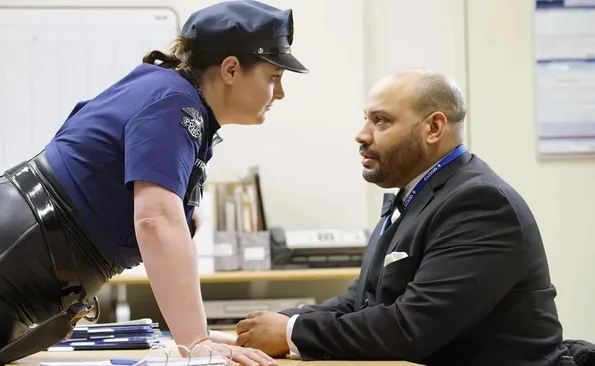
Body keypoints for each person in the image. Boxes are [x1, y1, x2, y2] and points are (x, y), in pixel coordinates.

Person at [0, 1, 308, 365]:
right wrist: (195, 341)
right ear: (231, 69)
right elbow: (156, 221)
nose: (279, 93)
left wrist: (194, 332)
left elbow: (171, 227)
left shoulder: (177, 100)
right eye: (273, 77)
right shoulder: (176, 103)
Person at [234, 69, 572, 366]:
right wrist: (277, 322)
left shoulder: (480, 203)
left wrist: (291, 333)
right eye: (366, 118)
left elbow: (412, 326)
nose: (362, 134)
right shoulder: (414, 195)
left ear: (434, 128)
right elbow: (361, 301)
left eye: (381, 121)